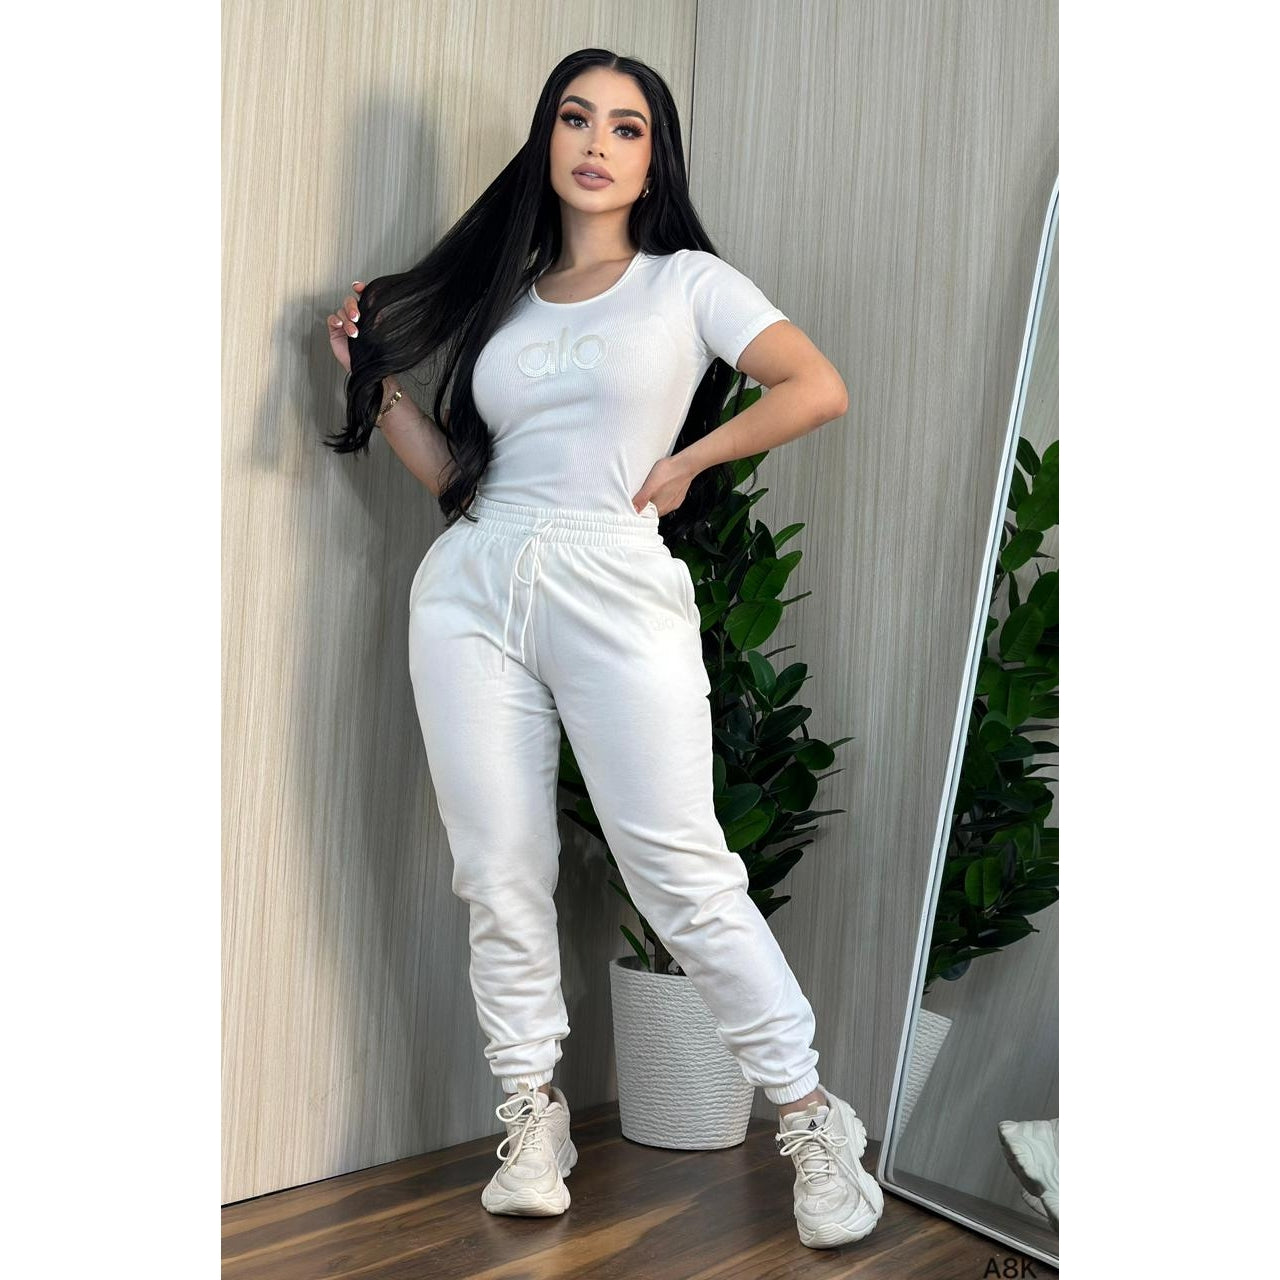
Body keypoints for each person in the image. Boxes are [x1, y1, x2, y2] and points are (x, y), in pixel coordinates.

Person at [322, 47, 883, 1250]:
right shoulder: (507, 298)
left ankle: (809, 1115)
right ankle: (531, 1116)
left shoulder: (687, 283)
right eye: (575, 119)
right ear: (546, 142)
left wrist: (688, 461)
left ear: (651, 157)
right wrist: (381, 393)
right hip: (472, 583)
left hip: (613, 578)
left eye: (625, 127)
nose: (595, 142)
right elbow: (462, 485)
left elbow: (814, 385)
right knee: (497, 867)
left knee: (680, 869)